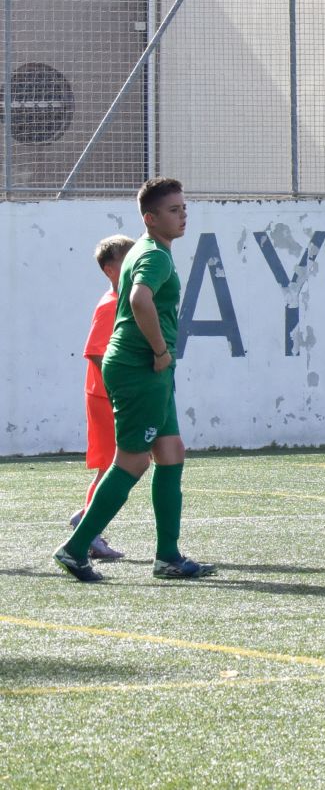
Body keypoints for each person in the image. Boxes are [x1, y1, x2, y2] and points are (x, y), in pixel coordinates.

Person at [56, 179, 214, 582]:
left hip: (146, 368)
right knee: (133, 460)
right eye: (174, 210)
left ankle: (168, 557)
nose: (183, 215)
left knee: (172, 450)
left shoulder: (149, 249)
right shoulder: (155, 256)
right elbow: (139, 300)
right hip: (141, 366)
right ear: (150, 217)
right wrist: (161, 351)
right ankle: (75, 549)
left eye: (183, 207)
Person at [68, 234, 137, 562]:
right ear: (111, 270)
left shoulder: (123, 302)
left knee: (118, 465)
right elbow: (95, 353)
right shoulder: (110, 305)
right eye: (129, 261)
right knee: (112, 467)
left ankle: (87, 522)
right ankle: (87, 526)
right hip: (106, 397)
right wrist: (117, 393)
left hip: (111, 395)